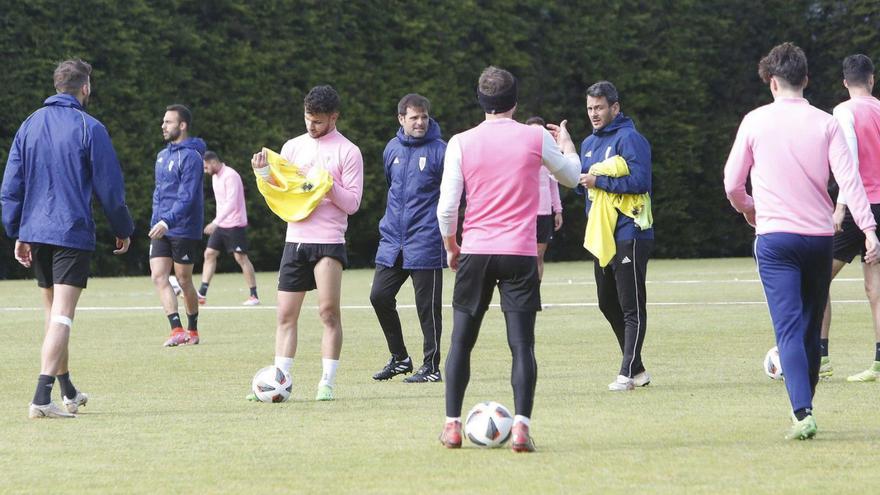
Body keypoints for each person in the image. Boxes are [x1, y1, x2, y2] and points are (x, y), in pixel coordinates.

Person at [724, 42, 880, 440]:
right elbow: (850, 181)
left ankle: (802, 411)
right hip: (818, 238)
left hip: (775, 238)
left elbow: (731, 184)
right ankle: (805, 401)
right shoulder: (825, 122)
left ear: (771, 82)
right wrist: (869, 228)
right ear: (806, 80)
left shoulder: (755, 121)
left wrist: (748, 209)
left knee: (789, 329)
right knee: (810, 329)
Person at [436, 66, 581, 452]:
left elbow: (447, 207)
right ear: (515, 101)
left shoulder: (460, 142)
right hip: (519, 253)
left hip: (476, 252)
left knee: (460, 342)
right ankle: (520, 428)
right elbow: (570, 176)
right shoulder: (535, 137)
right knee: (522, 346)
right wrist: (566, 144)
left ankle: (451, 426)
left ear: (481, 101)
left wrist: (452, 245)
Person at [1, 58, 134, 418]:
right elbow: (110, 189)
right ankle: (42, 398)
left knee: (53, 315)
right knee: (62, 316)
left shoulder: (28, 124)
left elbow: (11, 187)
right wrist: (123, 228)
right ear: (85, 87)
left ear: (57, 85)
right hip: (70, 232)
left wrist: (18, 231)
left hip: (36, 233)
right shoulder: (89, 126)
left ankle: (68, 392)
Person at [250, 85, 363, 401]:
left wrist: (327, 185)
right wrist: (263, 175)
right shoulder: (292, 147)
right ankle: (278, 381)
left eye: (317, 121)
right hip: (295, 240)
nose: (311, 127)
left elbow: (353, 203)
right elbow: (282, 192)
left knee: (328, 313)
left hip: (328, 241)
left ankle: (326, 382)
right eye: (307, 119)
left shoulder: (348, 151)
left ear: (333, 117)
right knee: (285, 315)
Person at [578, 81, 654, 391]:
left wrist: (599, 181)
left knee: (630, 305)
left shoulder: (630, 138)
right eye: (590, 108)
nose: (594, 114)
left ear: (615, 108)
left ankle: (626, 372)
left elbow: (640, 181)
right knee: (606, 302)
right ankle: (637, 368)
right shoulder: (587, 144)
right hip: (603, 235)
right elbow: (582, 183)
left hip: (630, 230)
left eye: (599, 107)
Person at [370, 94, 446, 383]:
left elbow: (454, 194)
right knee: (379, 296)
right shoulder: (391, 149)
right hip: (393, 242)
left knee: (427, 308)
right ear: (401, 119)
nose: (420, 122)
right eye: (414, 117)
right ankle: (400, 358)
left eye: (424, 117)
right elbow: (392, 188)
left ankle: (432, 367)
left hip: (427, 240)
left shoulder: (441, 150)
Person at [820, 54, 880, 382]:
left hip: (860, 207)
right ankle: (879, 363)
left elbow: (849, 161)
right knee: (876, 289)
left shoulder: (842, 112)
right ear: (871, 79)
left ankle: (822, 357)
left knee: (816, 277)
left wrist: (841, 205)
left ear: (845, 82)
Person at [148, 104, 206, 347]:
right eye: (163, 121)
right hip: (161, 228)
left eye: (168, 122)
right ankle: (176, 329)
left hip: (183, 228)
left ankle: (193, 329)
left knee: (184, 280)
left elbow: (187, 196)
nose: (163, 125)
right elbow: (159, 193)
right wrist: (156, 221)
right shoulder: (162, 156)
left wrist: (166, 220)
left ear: (182, 125)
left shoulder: (192, 157)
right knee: (159, 276)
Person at [198, 150, 260, 306]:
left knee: (241, 258)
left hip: (235, 223)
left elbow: (231, 203)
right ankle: (202, 294)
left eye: (206, 167)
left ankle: (254, 296)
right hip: (222, 223)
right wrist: (218, 222)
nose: (205, 171)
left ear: (213, 162)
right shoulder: (215, 177)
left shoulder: (230, 176)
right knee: (210, 253)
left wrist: (215, 222)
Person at [525, 116, 564, 281]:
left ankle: (535, 292)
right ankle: (524, 291)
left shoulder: (550, 156)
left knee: (538, 255)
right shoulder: (520, 154)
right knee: (525, 256)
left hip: (544, 212)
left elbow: (553, 185)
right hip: (524, 212)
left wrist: (558, 210)